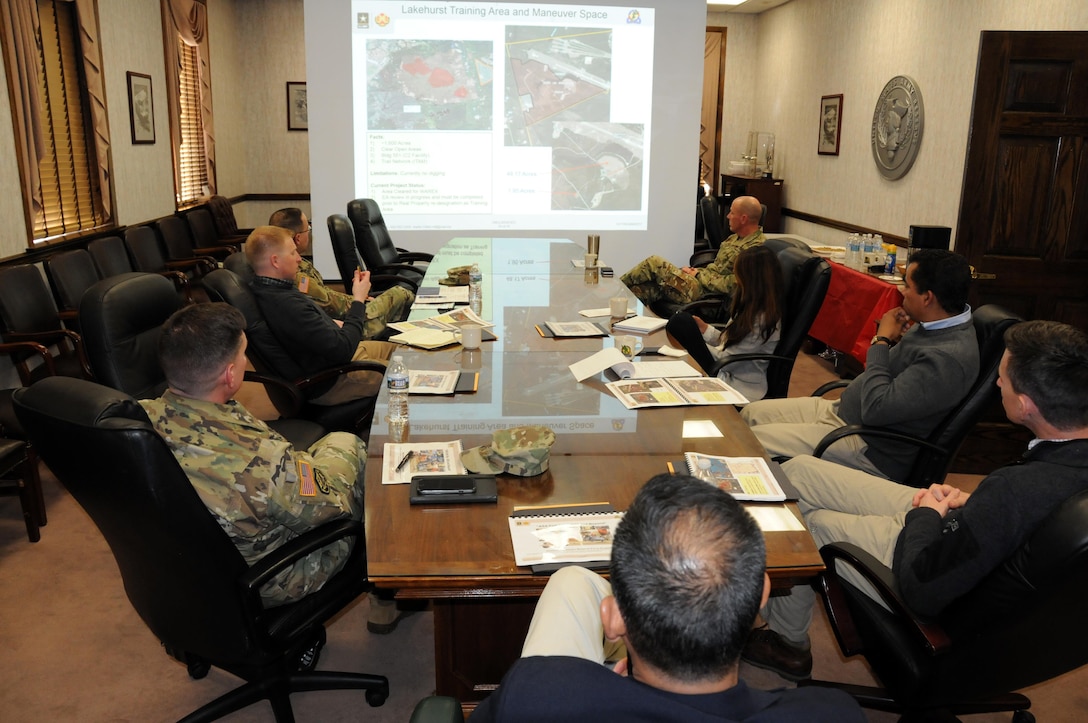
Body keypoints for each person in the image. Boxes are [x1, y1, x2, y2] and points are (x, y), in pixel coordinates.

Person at [743, 320, 1088, 682]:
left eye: (1002, 378)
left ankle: (787, 645)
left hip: (928, 566)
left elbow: (923, 591)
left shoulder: (1015, 491)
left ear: (1025, 405)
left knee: (808, 522)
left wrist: (925, 516)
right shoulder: (1050, 473)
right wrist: (975, 504)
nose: (997, 383)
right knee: (798, 473)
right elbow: (1024, 513)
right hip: (967, 530)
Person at [471, 474, 864, 722]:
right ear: (761, 595)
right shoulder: (834, 712)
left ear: (612, 620)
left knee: (570, 581)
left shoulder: (537, 695)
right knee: (574, 579)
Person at [138, 303, 365, 608]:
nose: (246, 361)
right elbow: (331, 511)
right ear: (230, 375)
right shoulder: (265, 461)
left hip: (189, 571)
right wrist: (310, 471)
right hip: (272, 578)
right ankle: (388, 592)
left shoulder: (138, 420)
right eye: (244, 355)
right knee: (348, 445)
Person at [741, 248, 978, 481]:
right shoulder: (935, 323)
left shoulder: (946, 358)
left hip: (866, 444)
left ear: (928, 298)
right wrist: (897, 342)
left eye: (908, 286)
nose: (901, 290)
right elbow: (904, 380)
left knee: (752, 441)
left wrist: (881, 342)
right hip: (843, 412)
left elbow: (876, 408)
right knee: (750, 414)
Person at [246, 225, 396, 404]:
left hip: (337, 357)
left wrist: (329, 322)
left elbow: (306, 329)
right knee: (415, 372)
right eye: (293, 253)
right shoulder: (287, 305)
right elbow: (343, 350)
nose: (299, 259)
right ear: (275, 261)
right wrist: (358, 299)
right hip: (335, 378)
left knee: (408, 352)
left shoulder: (271, 289)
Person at [665, 245, 784, 401]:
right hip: (725, 366)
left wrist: (694, 342)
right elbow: (730, 342)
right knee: (682, 322)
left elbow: (728, 361)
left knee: (681, 323)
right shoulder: (749, 306)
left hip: (737, 384)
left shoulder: (761, 319)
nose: (737, 280)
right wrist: (705, 329)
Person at [267, 207, 413, 334]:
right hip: (346, 325)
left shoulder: (300, 264)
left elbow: (327, 295)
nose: (310, 233)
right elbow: (332, 304)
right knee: (401, 294)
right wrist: (360, 298)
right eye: (308, 229)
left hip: (344, 316)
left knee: (398, 297)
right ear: (298, 238)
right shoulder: (295, 276)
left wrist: (361, 297)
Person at [622, 195, 765, 308]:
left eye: (732, 213)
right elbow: (717, 268)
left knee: (654, 262)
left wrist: (698, 275)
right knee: (642, 290)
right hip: (699, 283)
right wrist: (697, 272)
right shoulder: (734, 238)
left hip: (708, 295)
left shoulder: (755, 249)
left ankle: (614, 286)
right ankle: (613, 312)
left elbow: (735, 285)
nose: (728, 216)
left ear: (743, 218)